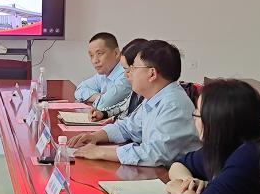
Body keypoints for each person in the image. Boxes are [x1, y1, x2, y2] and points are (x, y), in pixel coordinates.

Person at [69, 40, 199, 166]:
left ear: (152, 73)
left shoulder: (174, 104)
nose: (127, 75)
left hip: (172, 176)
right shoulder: (153, 98)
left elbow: (156, 154)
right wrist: (95, 137)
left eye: (134, 68)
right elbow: (128, 127)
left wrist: (101, 152)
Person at [165, 79, 260, 194]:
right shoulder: (224, 145)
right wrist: (188, 181)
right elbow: (178, 165)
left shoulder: (249, 156)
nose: (194, 119)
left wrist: (181, 191)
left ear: (215, 121)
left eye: (197, 115)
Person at [72, 32, 132, 112]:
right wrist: (101, 96)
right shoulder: (103, 73)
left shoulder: (126, 74)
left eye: (99, 54)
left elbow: (102, 105)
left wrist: (103, 99)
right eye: (91, 55)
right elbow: (79, 90)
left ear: (116, 53)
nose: (95, 61)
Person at [90, 38, 146, 122]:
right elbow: (123, 107)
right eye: (91, 55)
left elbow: (134, 124)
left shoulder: (151, 98)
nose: (125, 75)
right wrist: (104, 114)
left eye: (127, 70)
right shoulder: (137, 92)